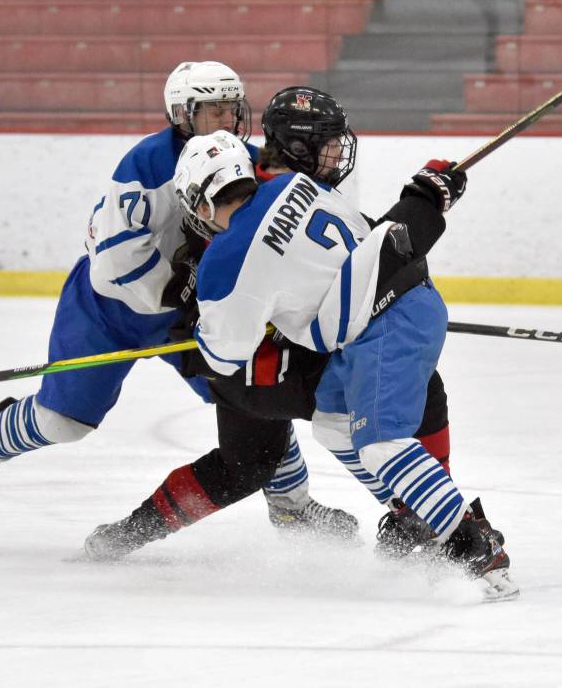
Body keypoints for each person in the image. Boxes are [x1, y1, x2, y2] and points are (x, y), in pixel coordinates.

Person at [0, 62, 354, 538]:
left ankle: (292, 505)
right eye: (211, 111)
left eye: (231, 109)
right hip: (111, 313)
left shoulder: (239, 158)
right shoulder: (144, 167)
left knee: (253, 397)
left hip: (182, 316)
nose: (225, 122)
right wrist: (180, 288)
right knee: (63, 422)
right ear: (182, 114)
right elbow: (115, 265)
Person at [83, 92, 460, 566]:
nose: (337, 155)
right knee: (283, 446)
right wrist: (423, 207)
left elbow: (363, 257)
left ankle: (128, 534)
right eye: (326, 145)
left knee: (253, 460)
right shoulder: (257, 189)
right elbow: (374, 258)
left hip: (258, 350)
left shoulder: (258, 178)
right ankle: (421, 520)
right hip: (256, 361)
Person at [169, 87, 518, 600]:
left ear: (201, 199)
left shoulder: (226, 259)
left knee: (380, 444)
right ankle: (418, 513)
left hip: (384, 325)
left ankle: (475, 550)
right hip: (390, 311)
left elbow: (225, 355)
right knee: (335, 426)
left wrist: (202, 323)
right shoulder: (292, 185)